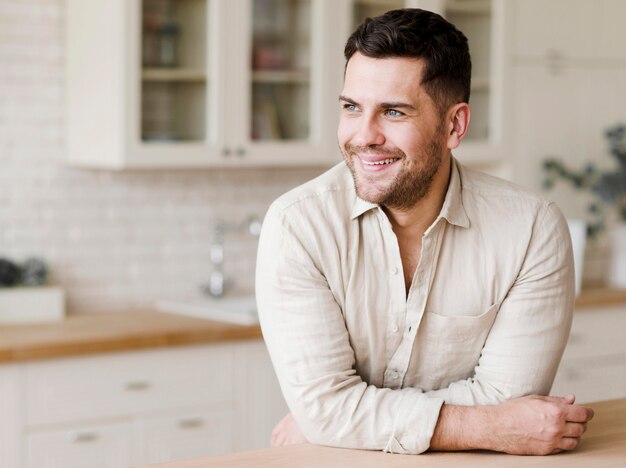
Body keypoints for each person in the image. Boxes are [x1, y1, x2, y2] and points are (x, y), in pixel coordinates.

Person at [255, 8, 594, 456]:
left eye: (393, 112)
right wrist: (486, 427)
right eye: (352, 107)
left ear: (454, 125)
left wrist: (341, 420)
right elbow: (326, 409)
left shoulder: (531, 229)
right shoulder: (298, 225)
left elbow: (506, 399)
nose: (364, 135)